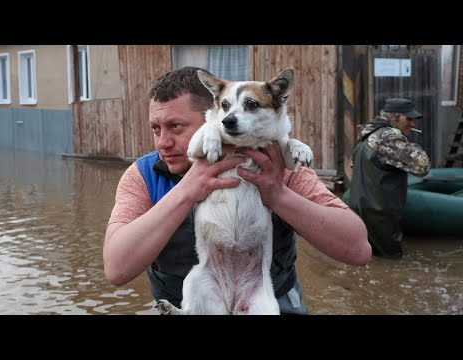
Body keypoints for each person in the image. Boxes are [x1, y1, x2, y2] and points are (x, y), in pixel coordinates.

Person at [103, 66, 371, 315]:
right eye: (155, 128)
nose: (163, 142)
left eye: (176, 126)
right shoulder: (145, 175)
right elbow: (117, 269)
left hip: (266, 299)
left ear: (216, 116)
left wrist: (278, 195)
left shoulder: (275, 164)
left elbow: (358, 250)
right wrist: (187, 191)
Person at [347, 98, 430, 259]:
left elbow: (353, 165)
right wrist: (412, 145)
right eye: (409, 118)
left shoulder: (367, 134)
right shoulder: (389, 137)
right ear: (395, 117)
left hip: (358, 213)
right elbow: (422, 167)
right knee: (391, 264)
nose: (413, 124)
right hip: (381, 219)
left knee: (366, 260)